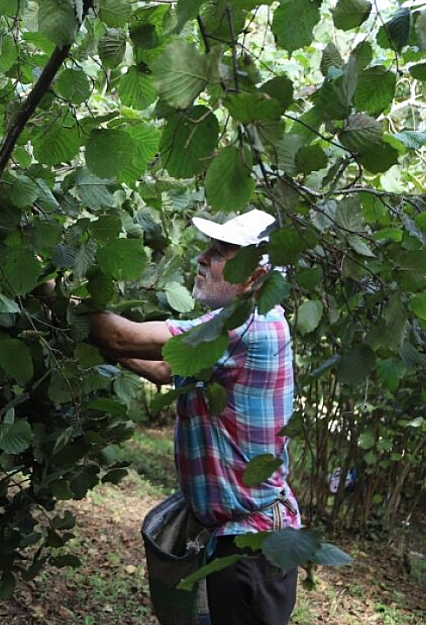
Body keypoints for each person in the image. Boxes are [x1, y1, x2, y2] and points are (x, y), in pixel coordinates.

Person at [87, 208, 301, 625]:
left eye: (220, 252)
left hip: (250, 547)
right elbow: (166, 368)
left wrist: (50, 293)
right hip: (239, 537)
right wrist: (99, 345)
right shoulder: (240, 324)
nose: (202, 258)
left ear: (256, 277)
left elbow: (121, 336)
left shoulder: (248, 326)